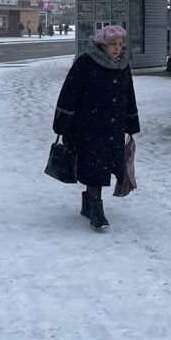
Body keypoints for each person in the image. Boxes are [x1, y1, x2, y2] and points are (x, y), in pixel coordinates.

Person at [53, 24, 140, 230]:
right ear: (102, 45)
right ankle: (97, 212)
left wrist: (131, 122)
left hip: (113, 127)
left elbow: (129, 95)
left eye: (120, 44)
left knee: (105, 166)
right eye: (113, 44)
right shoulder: (86, 63)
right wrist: (63, 124)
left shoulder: (122, 66)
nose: (117, 49)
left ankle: (87, 204)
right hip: (87, 126)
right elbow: (69, 93)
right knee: (95, 166)